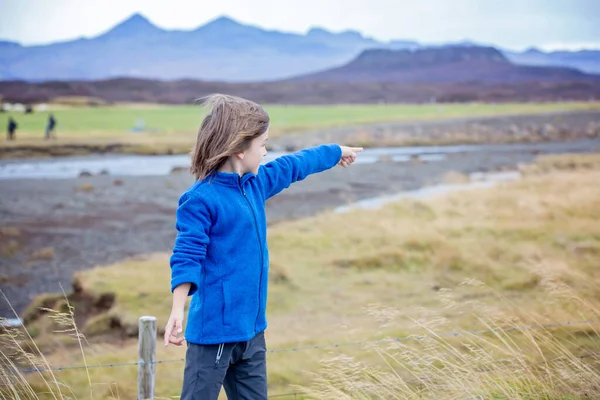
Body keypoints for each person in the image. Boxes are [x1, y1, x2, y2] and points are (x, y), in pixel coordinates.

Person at [164, 94, 362, 400]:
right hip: (214, 335)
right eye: (263, 144)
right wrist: (178, 310)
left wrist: (336, 152)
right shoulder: (200, 199)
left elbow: (295, 165)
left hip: (252, 332)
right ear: (241, 150)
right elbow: (187, 255)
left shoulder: (255, 184)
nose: (266, 151)